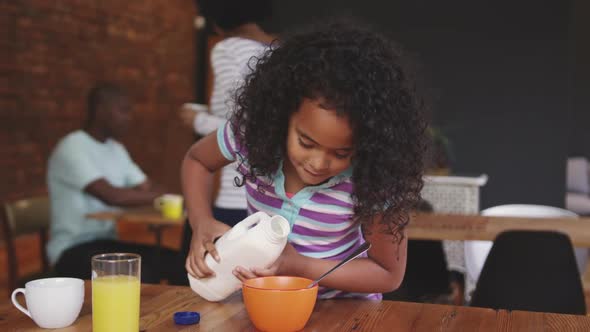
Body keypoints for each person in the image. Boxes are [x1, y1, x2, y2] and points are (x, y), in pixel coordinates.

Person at [182, 21, 427, 299]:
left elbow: (387, 274)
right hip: (265, 304)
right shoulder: (250, 135)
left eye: (341, 153)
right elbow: (197, 161)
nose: (319, 163)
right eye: (306, 142)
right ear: (282, 115)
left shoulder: (373, 180)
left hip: (345, 312)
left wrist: (300, 266)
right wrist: (200, 220)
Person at [47, 83, 181, 284]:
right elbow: (112, 196)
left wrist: (157, 195)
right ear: (101, 110)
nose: (129, 118)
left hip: (106, 243)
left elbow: (147, 187)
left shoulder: (116, 149)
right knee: (142, 273)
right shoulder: (72, 147)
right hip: (72, 248)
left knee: (175, 260)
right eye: (123, 110)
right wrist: (162, 198)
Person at [179, 0, 274, 227]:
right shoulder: (282, 53)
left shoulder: (228, 49)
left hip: (237, 194)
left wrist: (198, 120)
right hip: (273, 199)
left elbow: (247, 126)